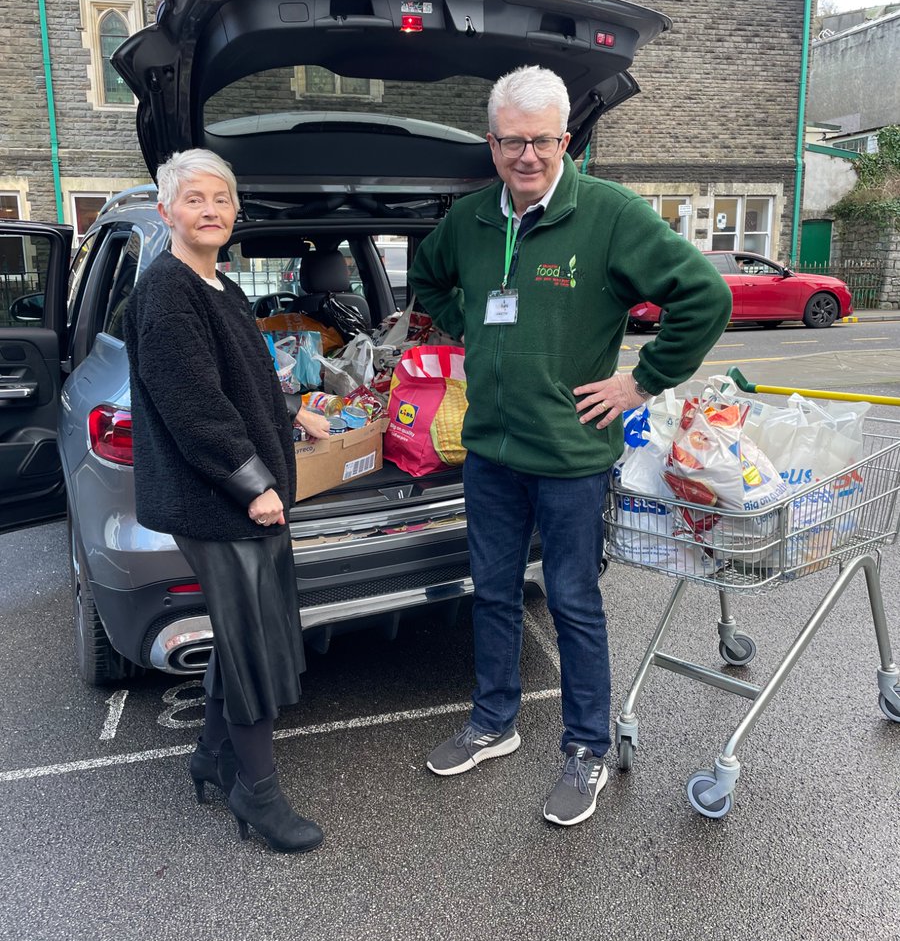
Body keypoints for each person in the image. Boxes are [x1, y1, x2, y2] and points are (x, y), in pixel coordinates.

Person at [408, 65, 732, 827]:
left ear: (567, 139)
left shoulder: (609, 215)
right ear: (491, 144)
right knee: (490, 593)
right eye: (514, 141)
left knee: (574, 602)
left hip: (570, 458)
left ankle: (585, 749)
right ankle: (494, 723)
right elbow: (427, 279)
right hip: (489, 450)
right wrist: (469, 328)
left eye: (544, 141)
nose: (529, 156)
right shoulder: (472, 220)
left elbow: (704, 295)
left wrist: (640, 382)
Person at [123, 148, 331, 853]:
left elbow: (244, 377)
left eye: (221, 199)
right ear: (167, 212)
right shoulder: (165, 291)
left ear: (235, 212)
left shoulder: (221, 287)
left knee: (253, 628)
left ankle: (211, 758)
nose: (210, 210)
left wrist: (295, 410)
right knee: (252, 641)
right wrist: (254, 485)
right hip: (215, 499)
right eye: (194, 200)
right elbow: (195, 408)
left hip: (242, 495)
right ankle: (257, 793)